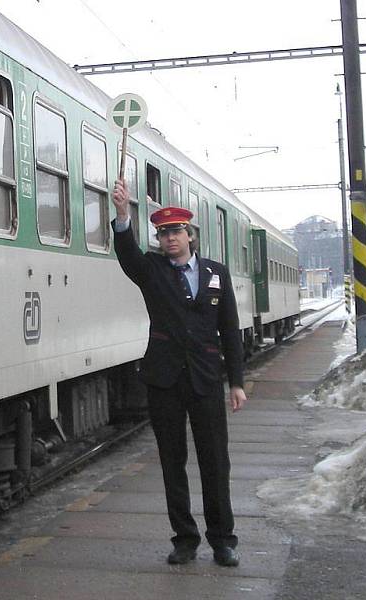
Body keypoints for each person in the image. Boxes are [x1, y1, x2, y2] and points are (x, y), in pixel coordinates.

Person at [110, 178, 245, 568]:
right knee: (173, 462)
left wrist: (235, 382)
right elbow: (127, 253)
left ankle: (223, 540)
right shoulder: (150, 269)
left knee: (215, 462)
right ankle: (185, 540)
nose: (170, 238)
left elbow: (230, 330)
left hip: (205, 379)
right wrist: (122, 215)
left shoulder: (216, 274)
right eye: (163, 233)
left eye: (176, 232)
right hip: (164, 380)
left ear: (191, 235)